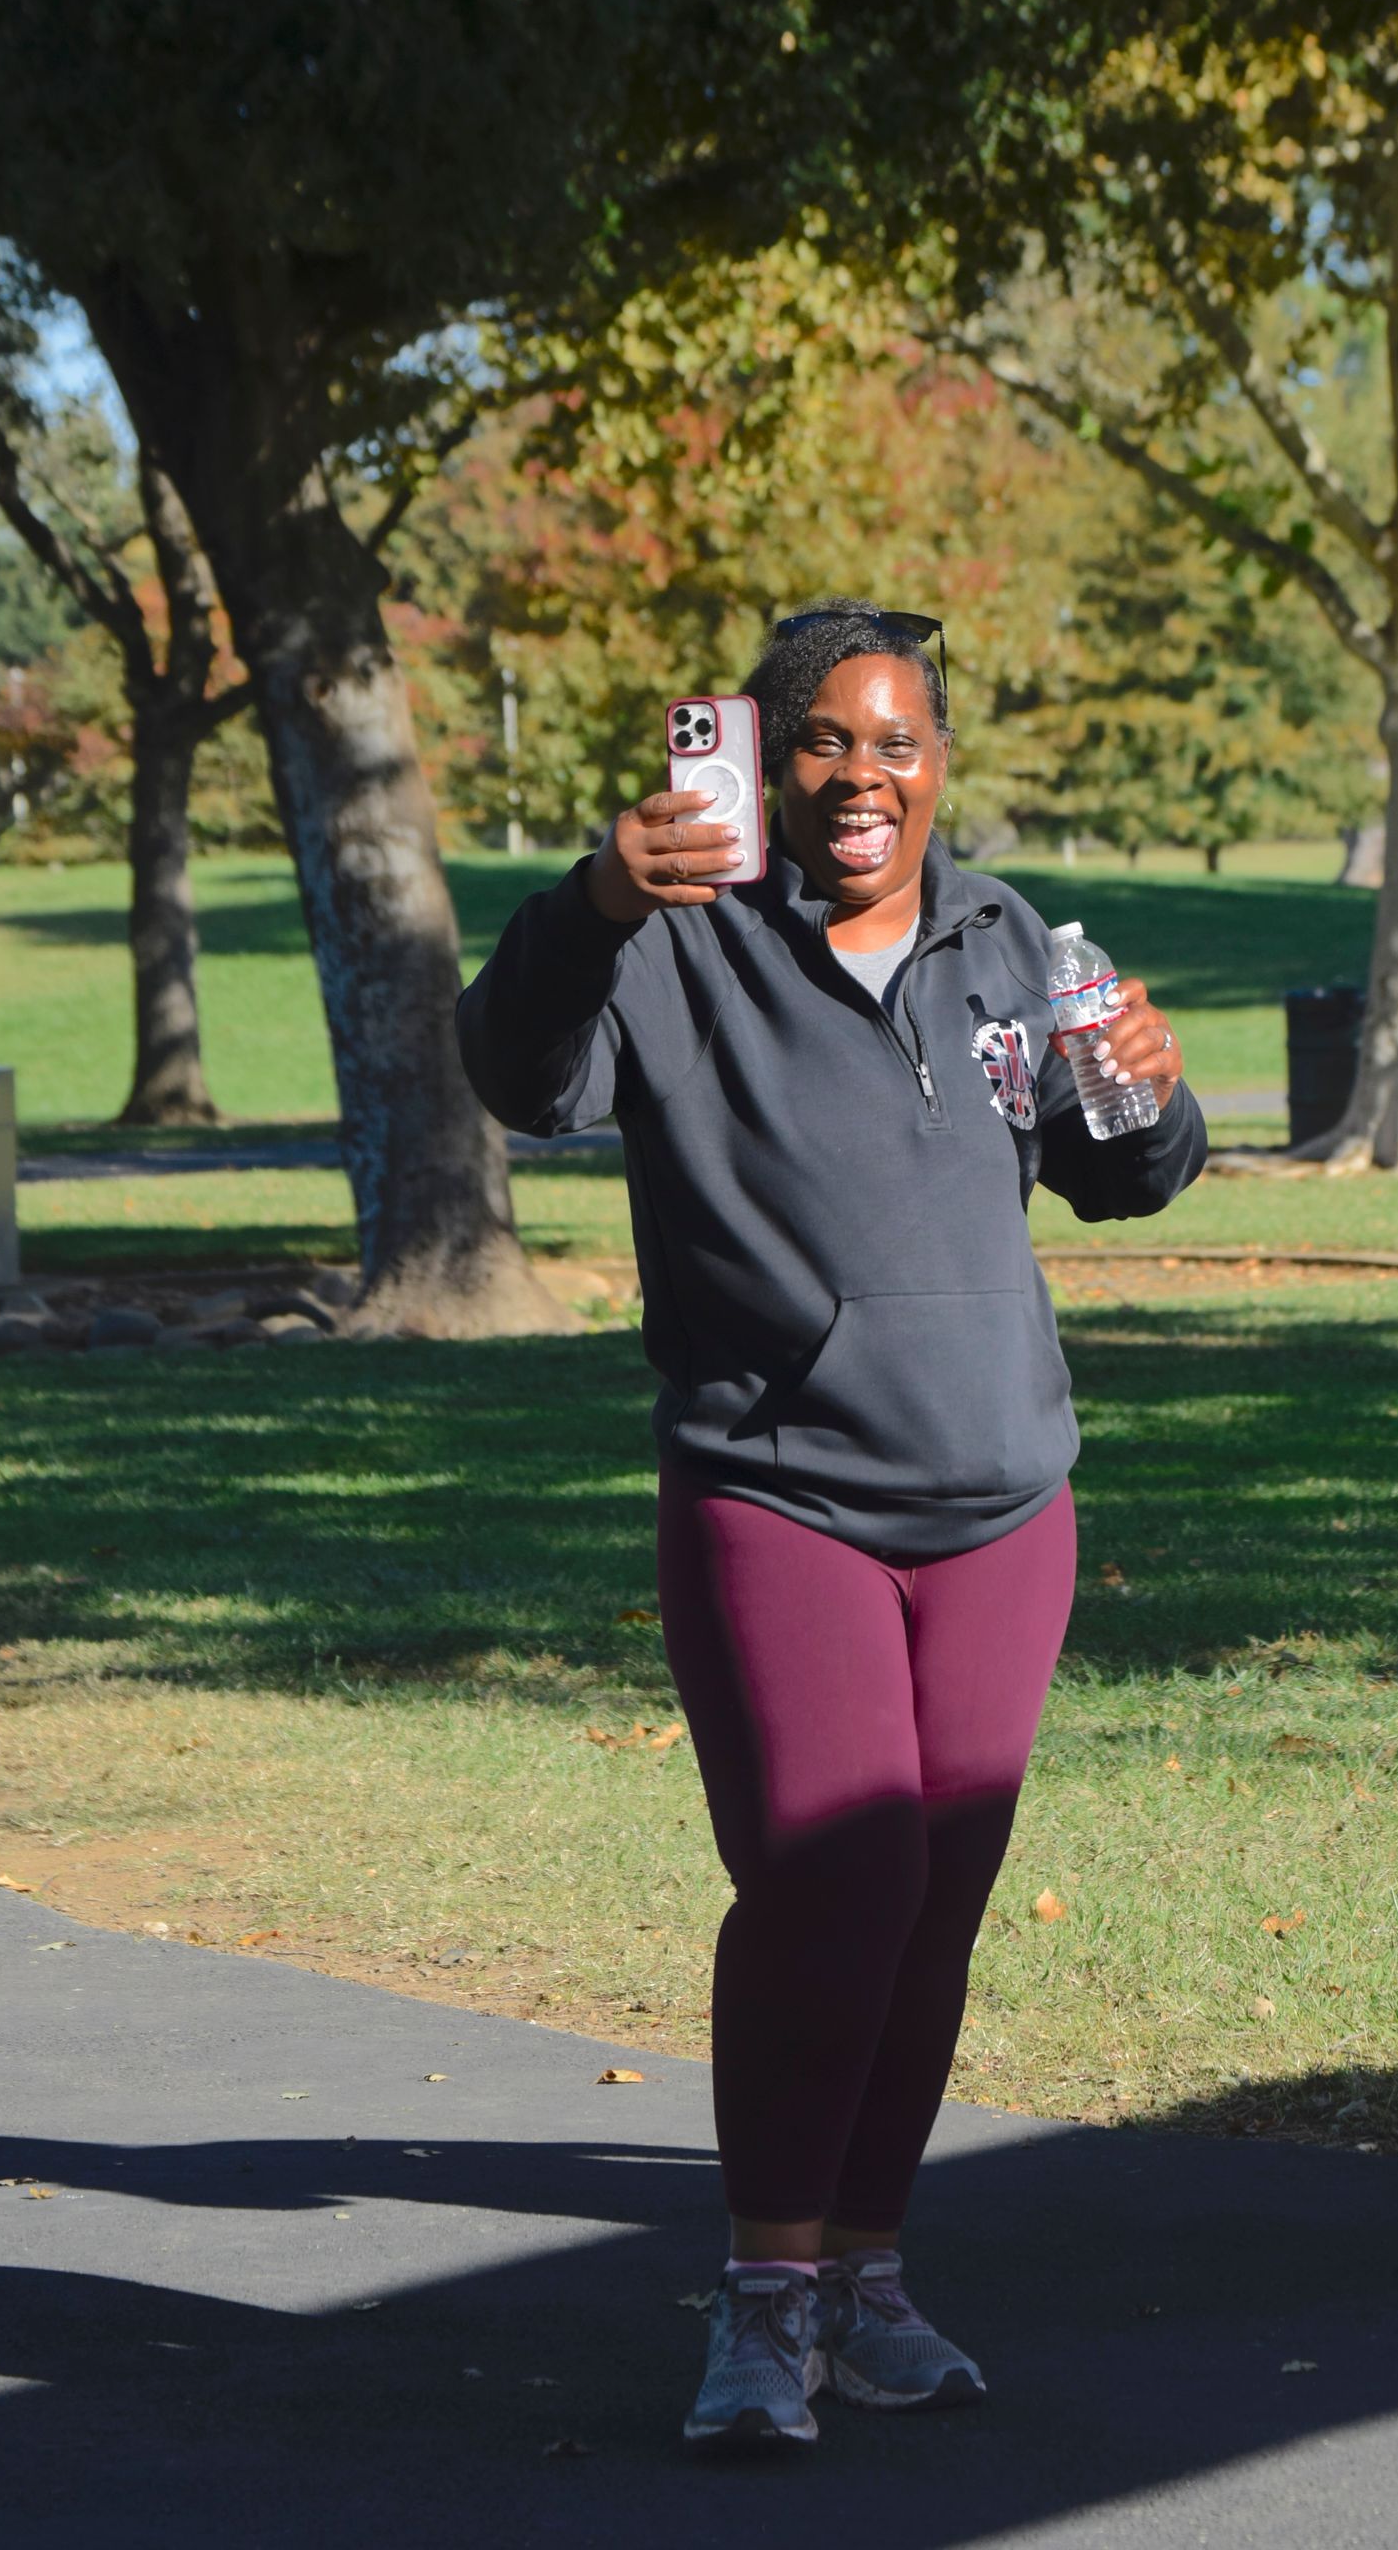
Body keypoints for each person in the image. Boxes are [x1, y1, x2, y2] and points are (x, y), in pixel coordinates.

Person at [457, 597, 1206, 2448]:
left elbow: (1121, 1180)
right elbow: (512, 1071)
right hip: (778, 1490)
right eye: (824, 744)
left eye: (898, 742)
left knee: (935, 1905)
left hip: (1003, 1503)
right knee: (838, 1879)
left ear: (940, 760)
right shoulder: (679, 941)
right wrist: (598, 901)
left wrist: (1155, 1096)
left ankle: (869, 2279)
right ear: (768, 762)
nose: (862, 777)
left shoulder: (1007, 940)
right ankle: (765, 2303)